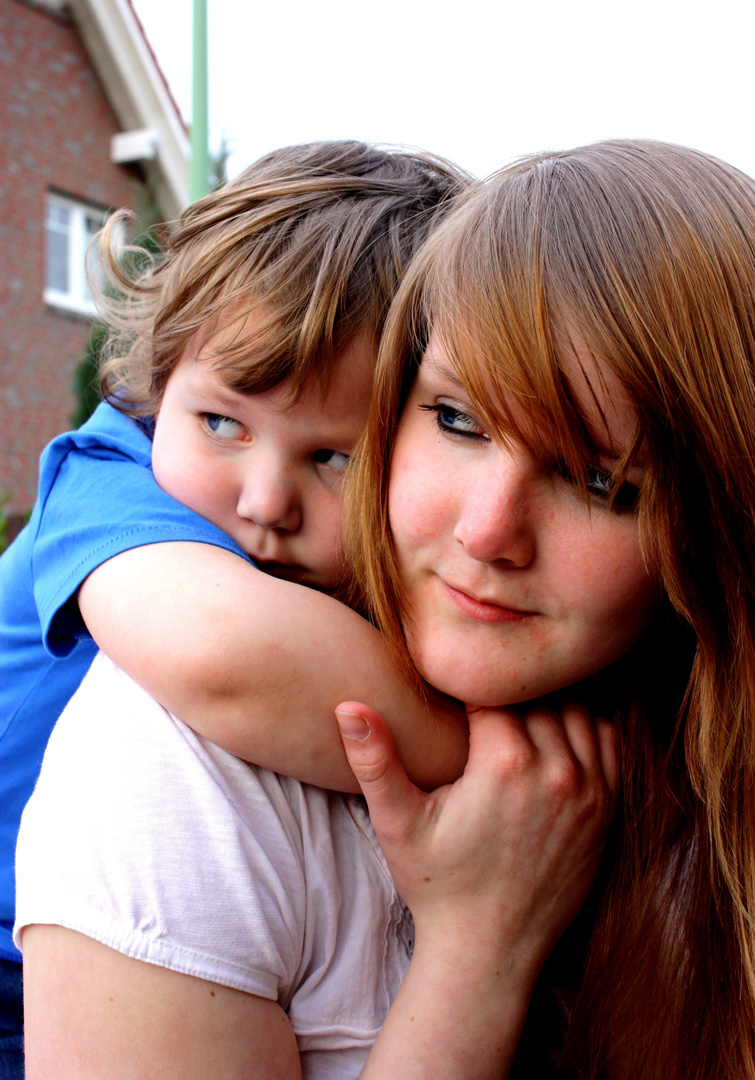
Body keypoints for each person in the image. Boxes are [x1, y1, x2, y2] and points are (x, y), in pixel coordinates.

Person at [16, 135, 753, 1077]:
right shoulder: (162, 692)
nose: (488, 533)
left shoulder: (675, 774)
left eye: (602, 484)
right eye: (457, 420)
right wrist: (484, 936)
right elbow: (218, 656)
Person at [0, 140, 471, 1077]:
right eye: (221, 423)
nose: (262, 499)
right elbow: (228, 660)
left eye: (332, 458)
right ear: (156, 379)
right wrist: (487, 760)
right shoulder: (110, 482)